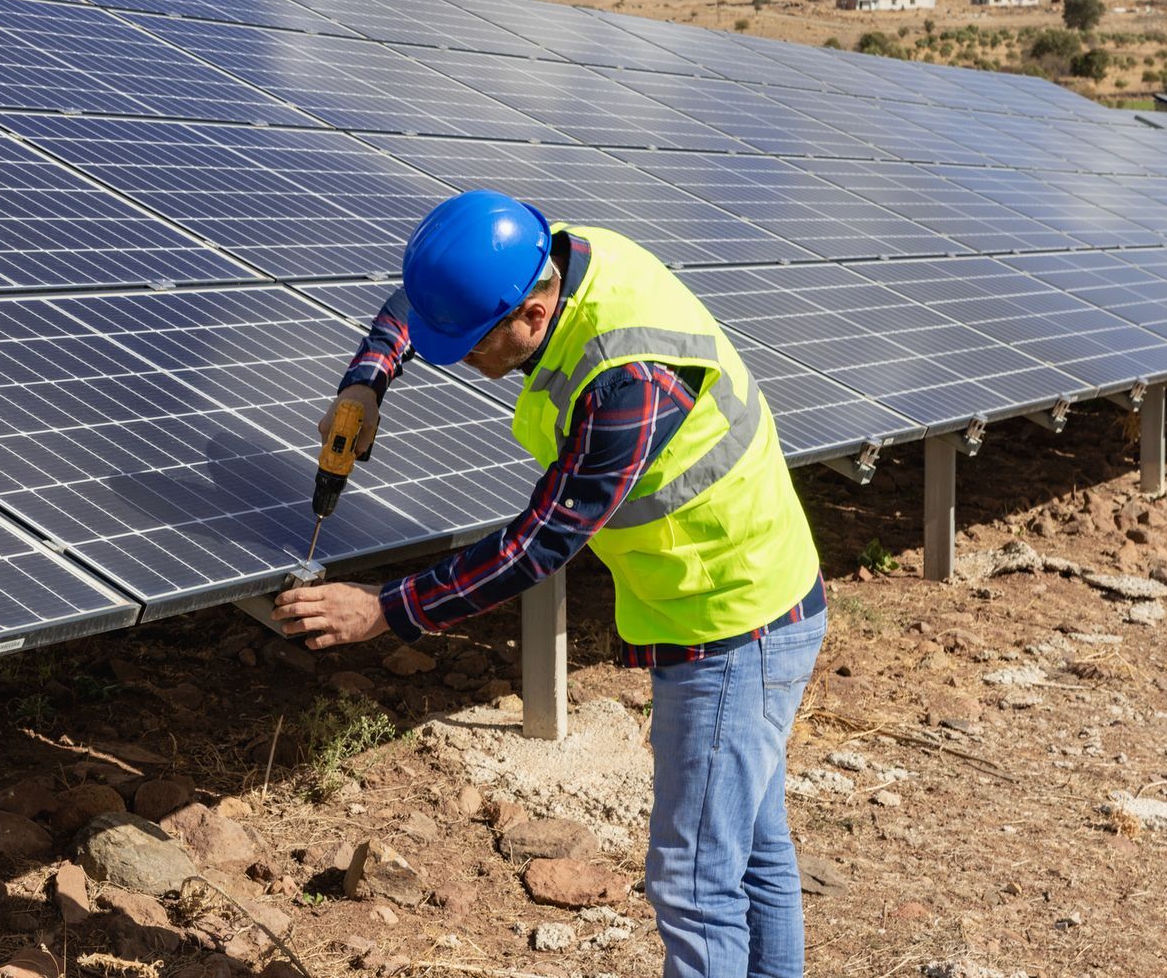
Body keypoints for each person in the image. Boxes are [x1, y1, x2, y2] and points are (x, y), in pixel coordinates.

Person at [273, 189, 826, 978]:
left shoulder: (630, 379)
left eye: (467, 344)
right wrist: (369, 378)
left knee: (696, 881)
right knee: (749, 851)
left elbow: (538, 545)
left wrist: (386, 610)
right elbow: (426, 299)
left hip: (732, 619)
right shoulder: (540, 262)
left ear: (531, 317)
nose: (455, 357)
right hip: (743, 596)